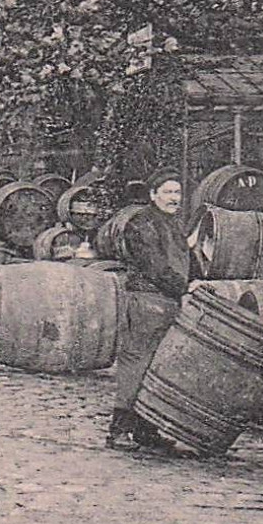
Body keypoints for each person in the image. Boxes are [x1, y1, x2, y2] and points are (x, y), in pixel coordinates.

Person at [107, 168, 192, 452]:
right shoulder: (142, 223)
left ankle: (146, 429)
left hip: (168, 302)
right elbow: (155, 265)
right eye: (167, 192)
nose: (174, 198)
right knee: (136, 364)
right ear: (153, 195)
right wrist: (184, 287)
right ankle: (118, 430)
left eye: (177, 192)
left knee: (158, 366)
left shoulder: (173, 224)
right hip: (147, 301)